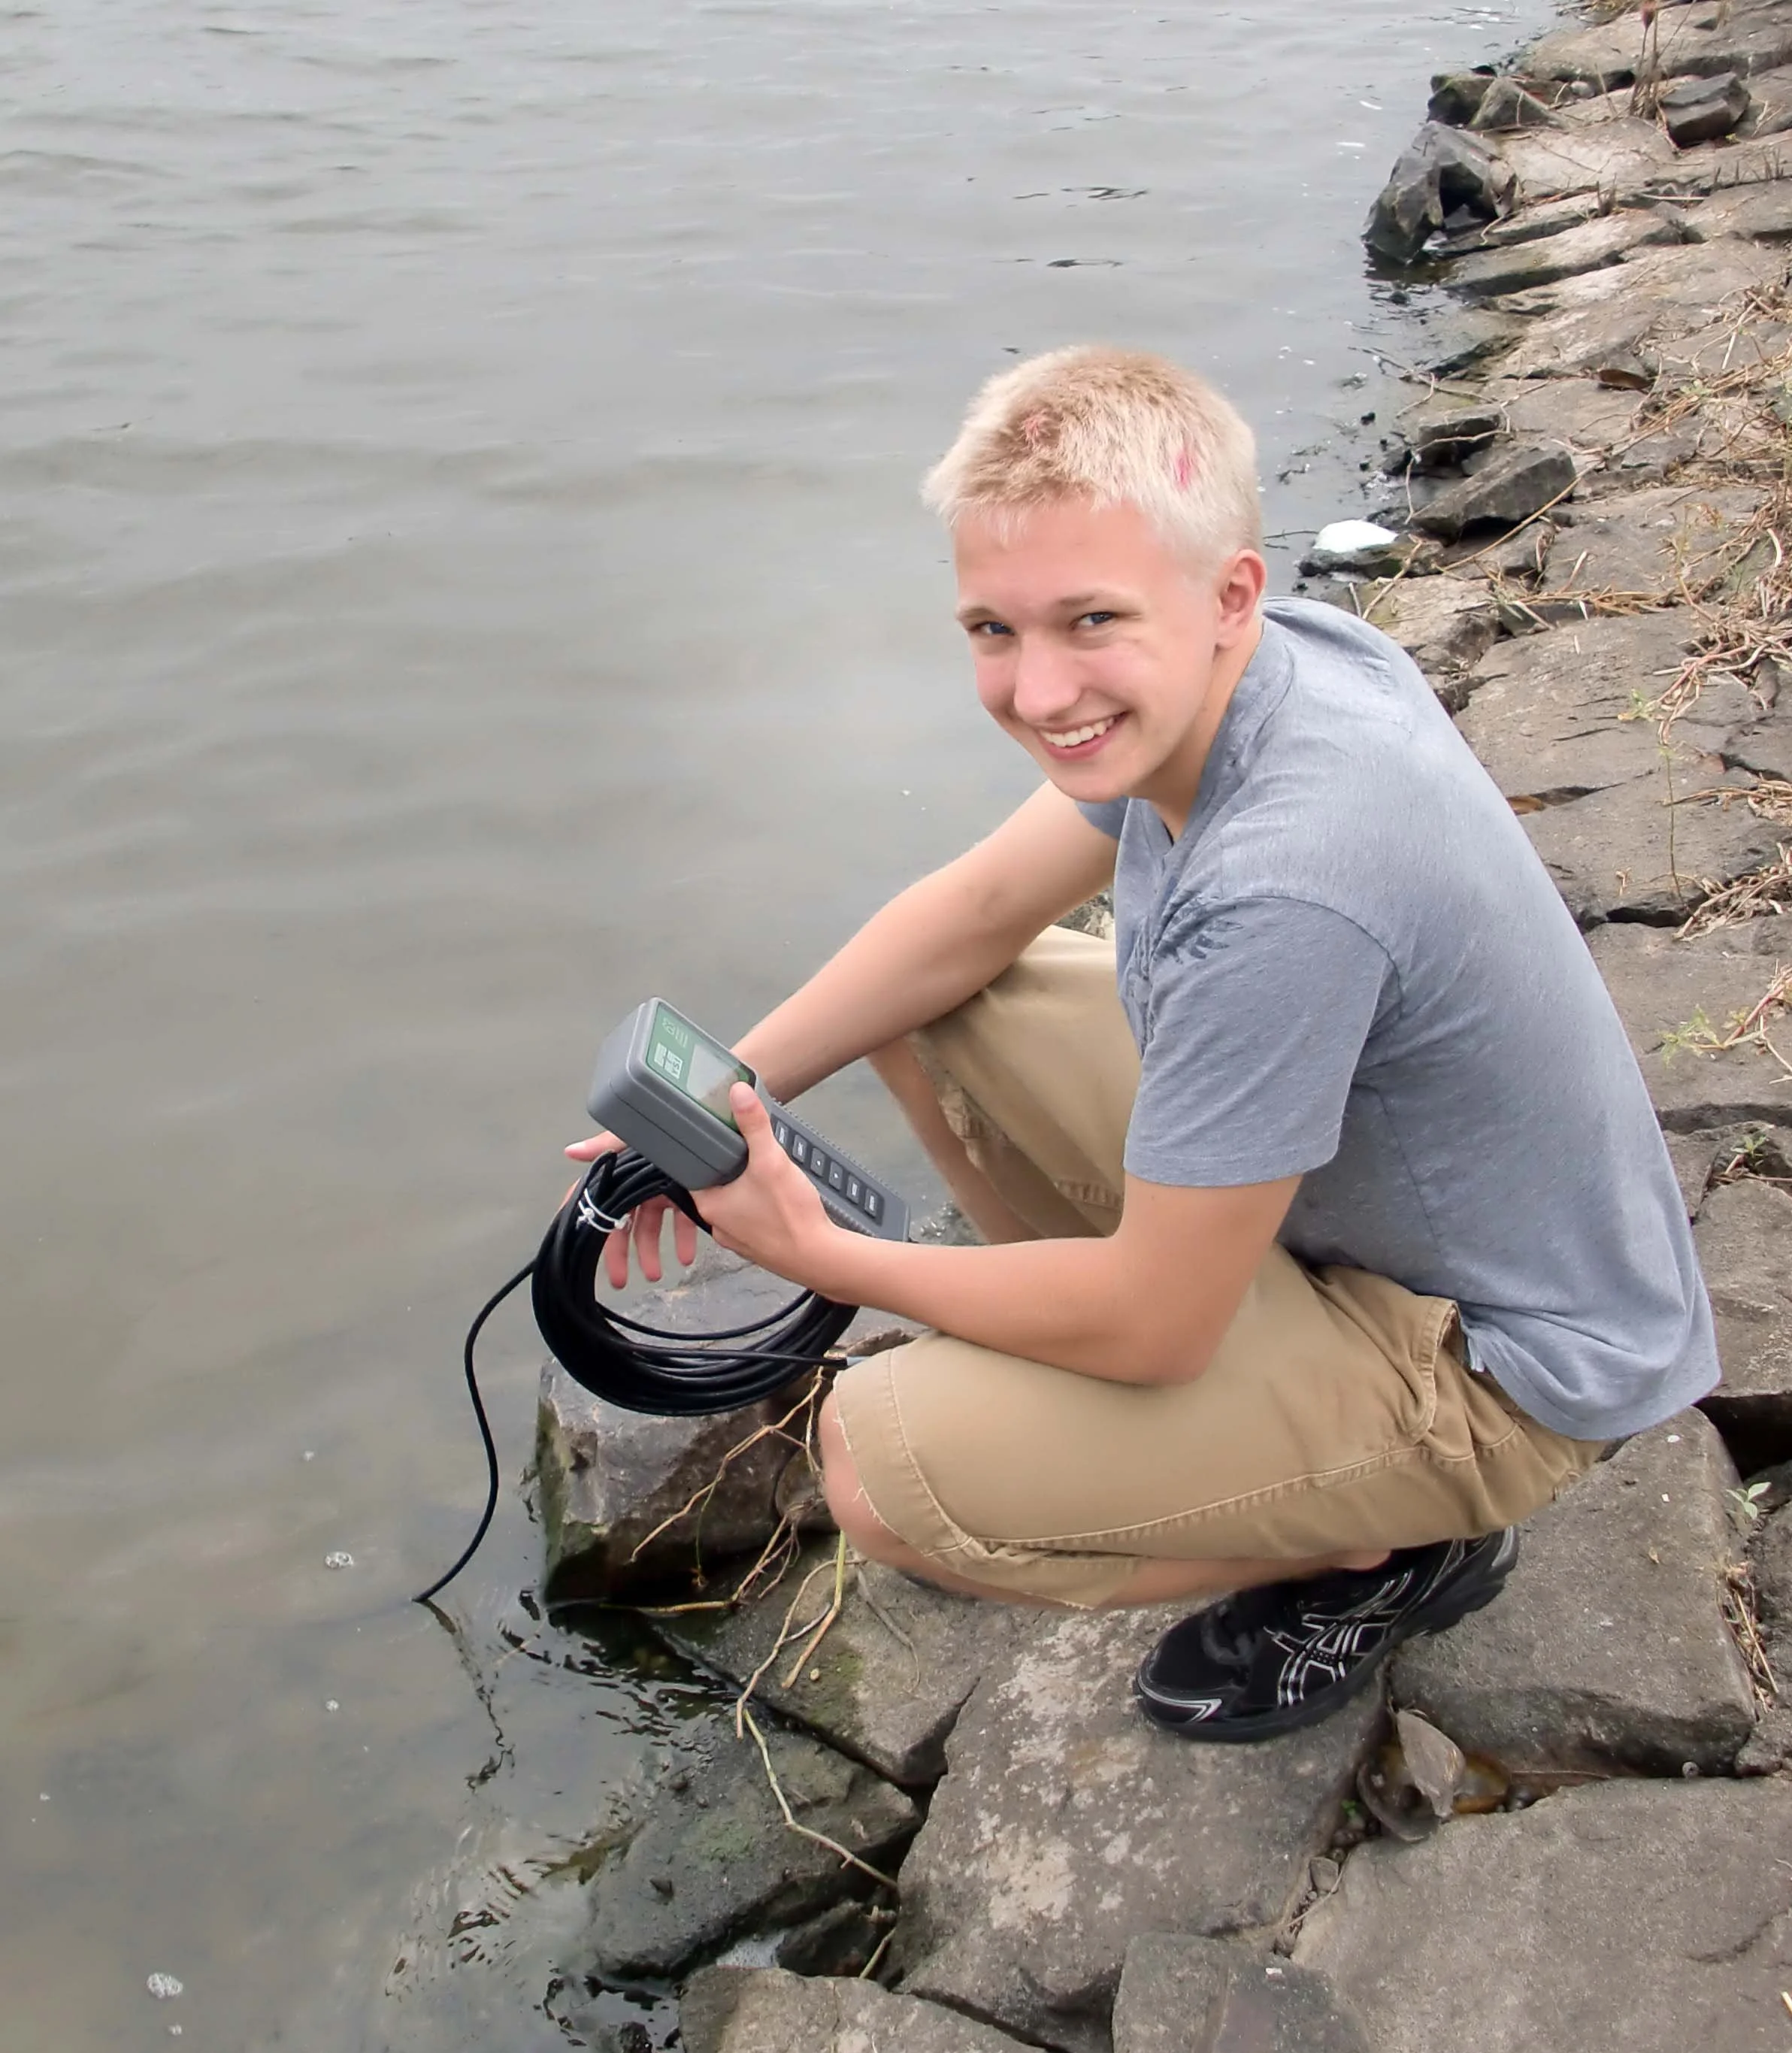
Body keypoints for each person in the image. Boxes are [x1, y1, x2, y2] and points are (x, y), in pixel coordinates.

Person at [565, 346, 1717, 1743]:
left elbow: (1160, 1326)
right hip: (1373, 1229)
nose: (1040, 690)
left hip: (1504, 1371)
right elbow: (967, 918)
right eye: (993, 629)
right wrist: (729, 1095)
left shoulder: (1289, 882)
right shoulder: (1269, 664)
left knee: (882, 1473)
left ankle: (1391, 1545)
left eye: (1090, 621)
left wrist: (816, 1254)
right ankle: (1156, 1408)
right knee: (944, 1003)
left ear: (1230, 594)